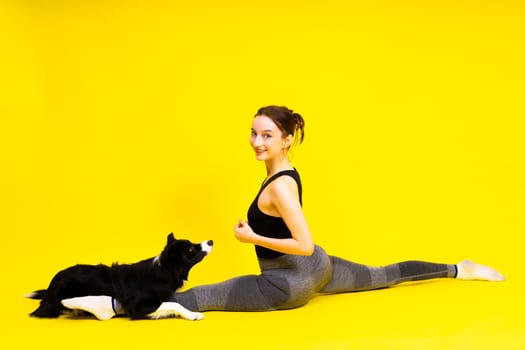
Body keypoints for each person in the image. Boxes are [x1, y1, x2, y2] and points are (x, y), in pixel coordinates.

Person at [61, 105, 504, 320]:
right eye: (253, 133)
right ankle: (458, 269)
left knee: (202, 297)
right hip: (321, 269)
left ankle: (112, 305)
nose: (257, 141)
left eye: (267, 135)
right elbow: (311, 249)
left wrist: (252, 239)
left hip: (286, 286)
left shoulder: (280, 190)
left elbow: (302, 241)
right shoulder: (287, 171)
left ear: (287, 138)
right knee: (383, 274)